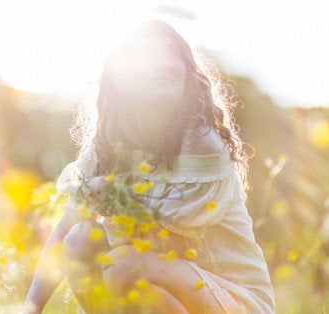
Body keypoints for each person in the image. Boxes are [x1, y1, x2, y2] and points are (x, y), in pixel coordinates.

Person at [23, 20, 275, 313]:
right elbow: (64, 232)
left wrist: (108, 191)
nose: (165, 64)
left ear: (187, 73)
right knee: (81, 239)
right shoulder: (107, 146)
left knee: (123, 266)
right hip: (154, 281)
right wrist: (31, 307)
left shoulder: (200, 140)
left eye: (173, 55)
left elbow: (163, 232)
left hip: (233, 298)